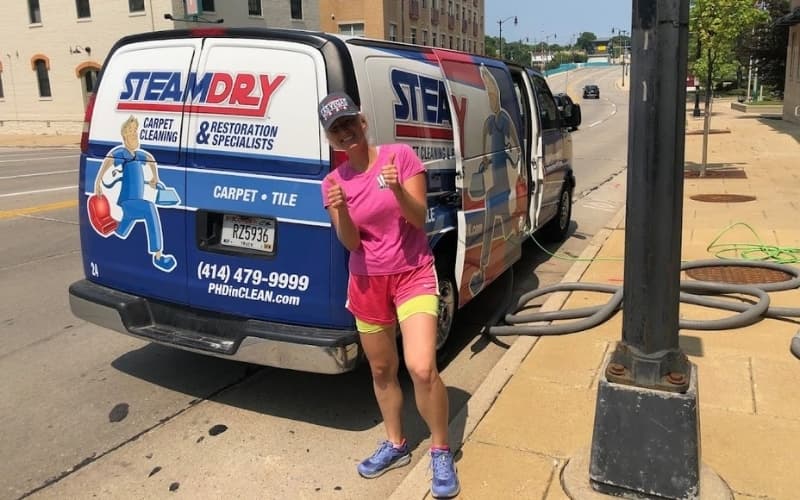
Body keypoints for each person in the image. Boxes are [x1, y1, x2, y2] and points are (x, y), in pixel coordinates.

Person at [318, 92, 460, 499]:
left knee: (420, 367)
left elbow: (419, 219)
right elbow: (350, 243)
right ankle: (396, 444)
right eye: (336, 129)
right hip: (367, 282)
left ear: (362, 122)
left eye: (349, 123)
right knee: (381, 370)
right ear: (331, 138)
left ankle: (439, 448)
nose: (345, 133)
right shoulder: (332, 182)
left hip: (412, 274)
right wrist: (341, 211)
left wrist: (397, 190)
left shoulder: (400, 157)